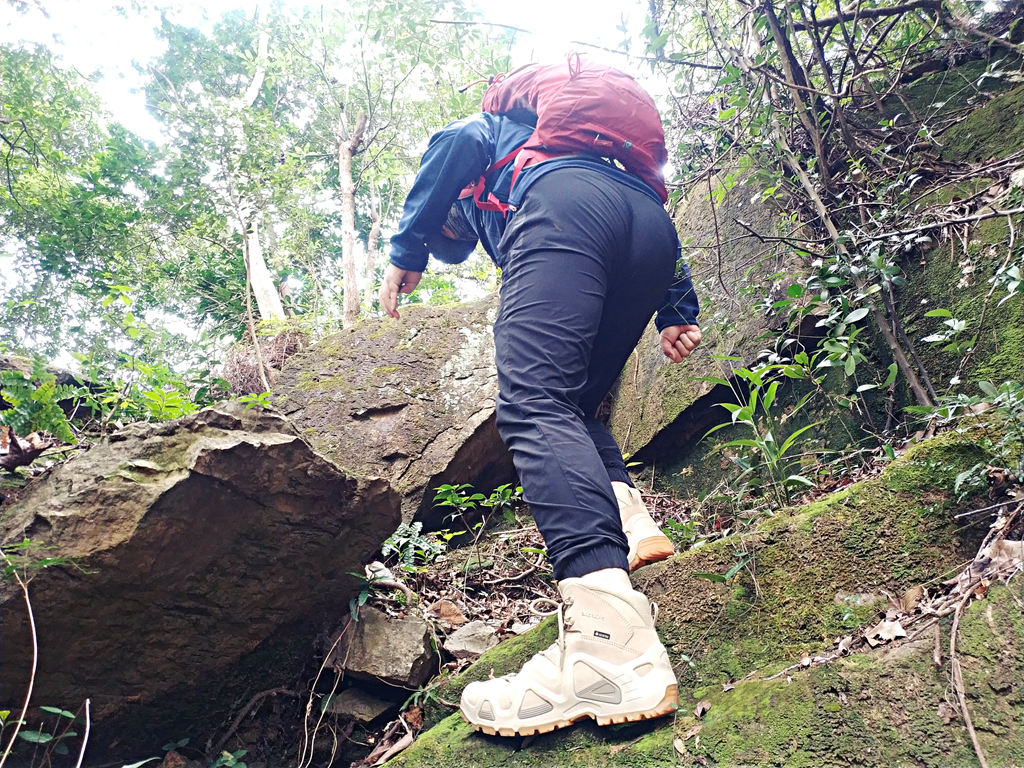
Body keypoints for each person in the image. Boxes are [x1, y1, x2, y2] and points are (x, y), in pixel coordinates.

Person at [378, 110, 701, 737]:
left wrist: (408, 245)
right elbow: (617, 200)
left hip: (566, 207)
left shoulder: (493, 138)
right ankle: (630, 522)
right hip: (649, 225)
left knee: (531, 402)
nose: (457, 231)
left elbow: (457, 139)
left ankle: (609, 645)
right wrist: (675, 307)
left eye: (449, 227)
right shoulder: (571, 146)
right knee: (571, 401)